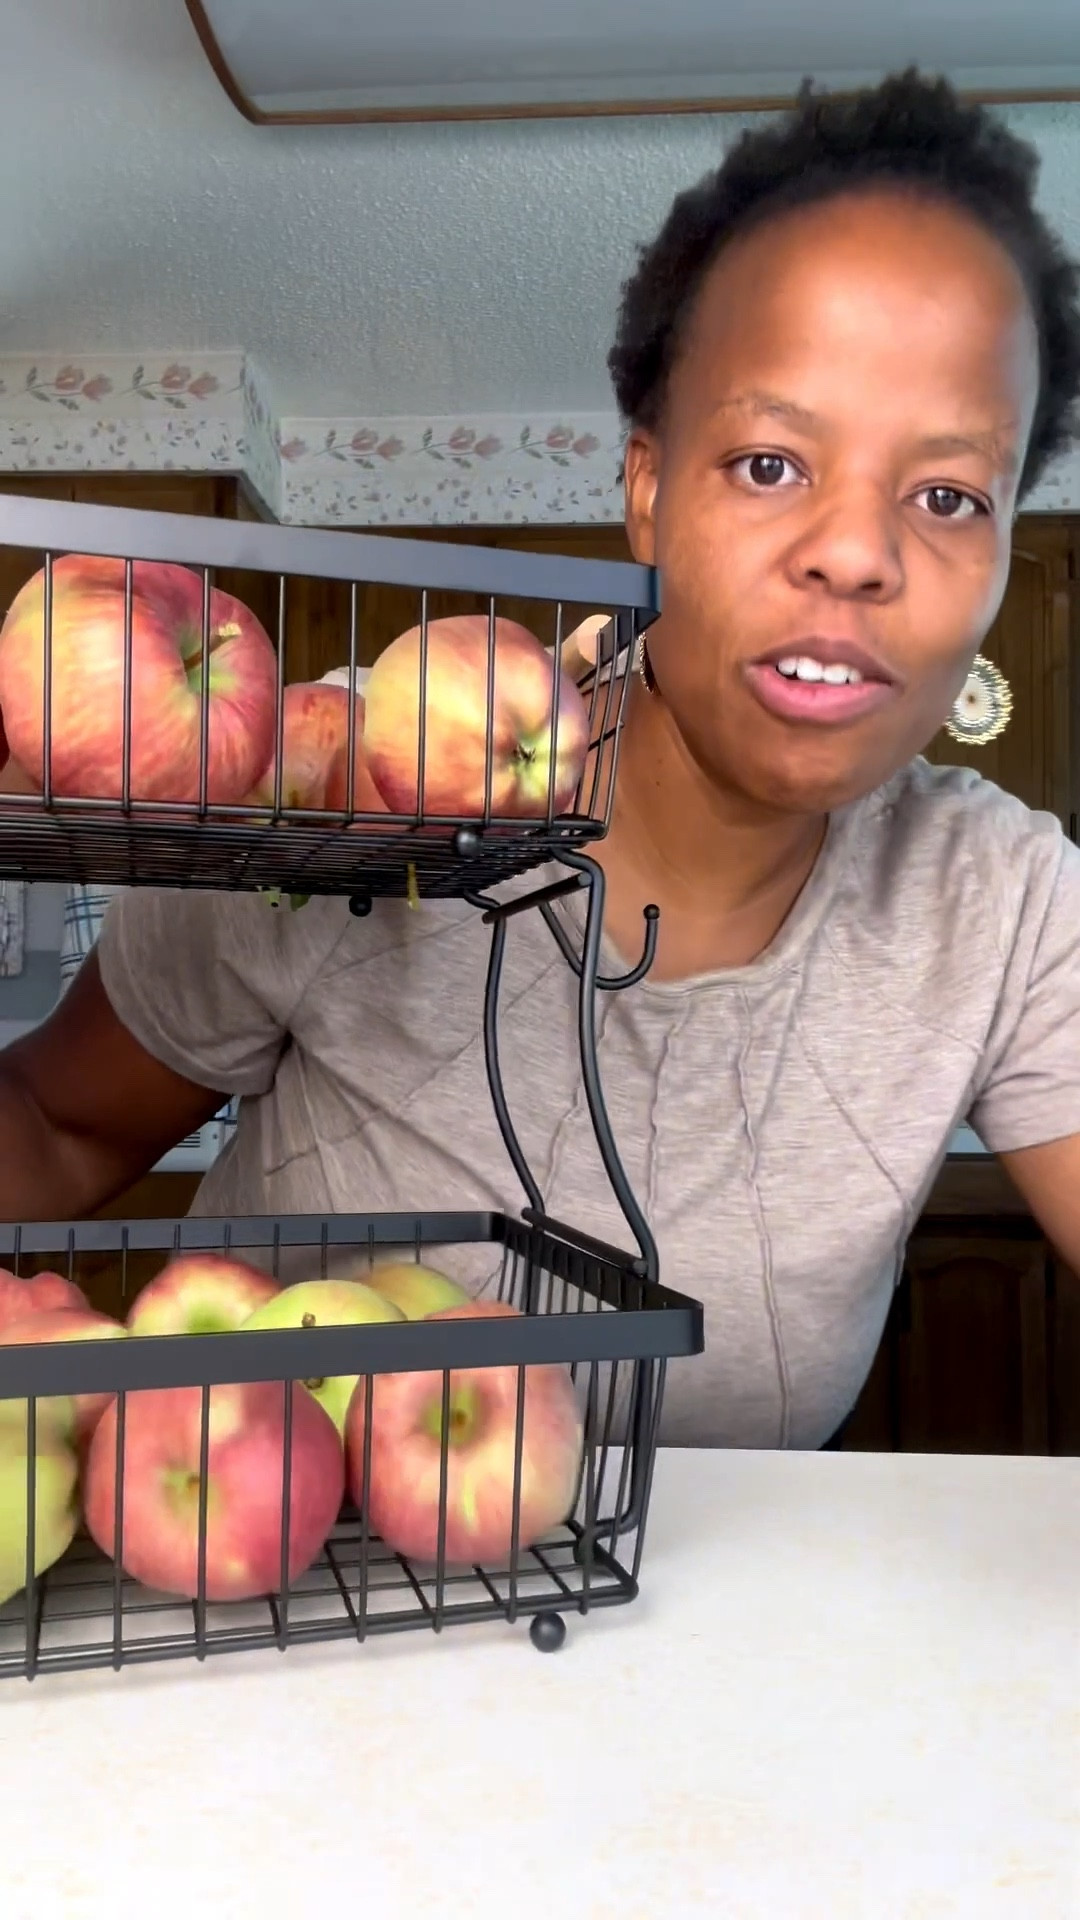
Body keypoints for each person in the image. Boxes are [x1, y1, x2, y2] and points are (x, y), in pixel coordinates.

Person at [2, 69, 1079, 1450]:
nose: (858, 553)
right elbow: (63, 1120)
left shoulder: (998, 903)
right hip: (285, 1625)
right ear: (646, 489)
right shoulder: (348, 791)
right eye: (767, 465)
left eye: (947, 496)